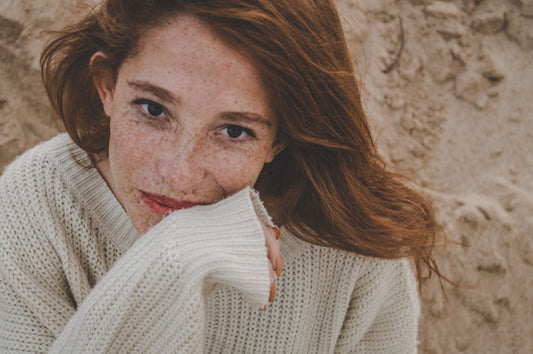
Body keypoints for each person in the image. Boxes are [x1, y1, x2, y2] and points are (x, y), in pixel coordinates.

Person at [0, 0, 444, 352]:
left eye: (234, 131)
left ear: (279, 139)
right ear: (107, 87)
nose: (178, 172)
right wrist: (173, 261)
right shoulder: (35, 207)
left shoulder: (353, 245)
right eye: (153, 109)